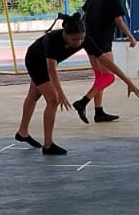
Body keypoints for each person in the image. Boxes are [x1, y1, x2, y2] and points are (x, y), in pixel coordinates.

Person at [72, 0, 139, 123]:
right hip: (103, 42)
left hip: (89, 41)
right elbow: (119, 21)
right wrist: (131, 37)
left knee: (99, 77)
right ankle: (83, 102)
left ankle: (99, 111)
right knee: (108, 77)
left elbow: (83, 18)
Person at [14, 12, 87, 156]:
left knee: (33, 95)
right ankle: (48, 145)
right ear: (65, 34)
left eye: (81, 39)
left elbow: (103, 59)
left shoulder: (84, 38)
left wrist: (127, 81)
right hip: (35, 61)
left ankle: (22, 132)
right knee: (53, 99)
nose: (78, 43)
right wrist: (60, 93)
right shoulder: (52, 40)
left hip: (44, 63)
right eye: (74, 39)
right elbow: (51, 69)